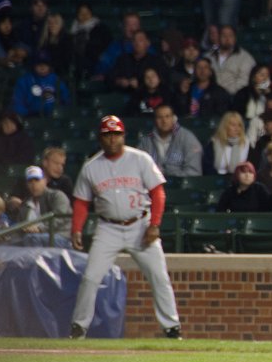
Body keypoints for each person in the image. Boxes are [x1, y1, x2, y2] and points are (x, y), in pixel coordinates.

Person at [69, 115, 181, 339]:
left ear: (123, 136)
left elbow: (158, 193)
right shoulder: (91, 167)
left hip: (140, 224)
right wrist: (76, 229)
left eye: (116, 134)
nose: (112, 139)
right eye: (108, 135)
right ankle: (79, 327)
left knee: (159, 277)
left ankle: (172, 327)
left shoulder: (140, 159)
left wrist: (155, 224)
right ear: (100, 138)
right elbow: (81, 202)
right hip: (108, 228)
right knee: (90, 277)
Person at [138, 104, 203, 177]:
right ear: (155, 120)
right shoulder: (146, 142)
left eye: (167, 116)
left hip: (180, 183)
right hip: (152, 182)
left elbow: (194, 172)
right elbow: (138, 168)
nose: (164, 121)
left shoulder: (188, 138)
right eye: (160, 117)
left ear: (173, 118)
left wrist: (171, 178)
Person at [17, 166, 72, 249]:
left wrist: (39, 228)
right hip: (31, 239)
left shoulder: (57, 196)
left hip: (60, 237)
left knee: (31, 238)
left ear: (45, 181)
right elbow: (19, 227)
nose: (34, 185)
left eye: (37, 180)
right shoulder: (25, 204)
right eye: (30, 182)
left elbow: (59, 218)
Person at [10, 52, 71, 118]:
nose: (42, 67)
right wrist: (25, 116)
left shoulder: (56, 79)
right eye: (39, 64)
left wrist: (62, 113)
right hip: (31, 117)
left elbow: (66, 99)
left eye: (45, 64)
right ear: (34, 66)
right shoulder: (25, 80)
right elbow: (18, 102)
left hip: (54, 117)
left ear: (50, 66)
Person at [205, 25, 256, 97]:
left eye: (230, 36)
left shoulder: (245, 58)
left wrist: (225, 94)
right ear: (219, 37)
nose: (227, 39)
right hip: (210, 96)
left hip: (234, 97)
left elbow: (244, 82)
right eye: (224, 35)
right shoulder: (208, 56)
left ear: (235, 38)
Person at [70, 3, 112, 79]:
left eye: (87, 13)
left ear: (91, 13)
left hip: (95, 64)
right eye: (81, 13)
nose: (84, 15)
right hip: (77, 64)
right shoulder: (72, 30)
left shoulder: (101, 28)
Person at [202, 111, 250, 176]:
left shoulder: (245, 143)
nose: (237, 129)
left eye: (239, 125)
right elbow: (207, 167)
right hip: (215, 177)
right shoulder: (214, 142)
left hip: (237, 178)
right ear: (225, 126)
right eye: (233, 125)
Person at [38, 14, 73, 78]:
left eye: (56, 23)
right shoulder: (44, 40)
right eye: (50, 23)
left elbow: (66, 61)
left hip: (60, 74)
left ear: (61, 25)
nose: (52, 25)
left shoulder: (67, 39)